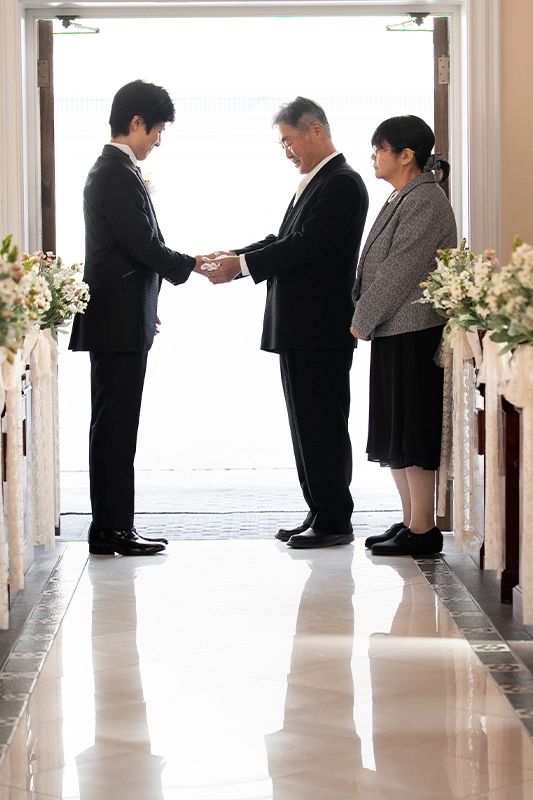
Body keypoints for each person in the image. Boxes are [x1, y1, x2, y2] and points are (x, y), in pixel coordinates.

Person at [201, 97, 369, 549]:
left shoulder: (343, 182)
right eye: (282, 145)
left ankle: (334, 519)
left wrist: (241, 266)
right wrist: (236, 256)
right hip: (301, 326)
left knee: (323, 425)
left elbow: (305, 245)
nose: (287, 152)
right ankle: (319, 509)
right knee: (306, 424)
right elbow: (283, 239)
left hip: (320, 327)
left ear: (316, 129)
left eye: (289, 141)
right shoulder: (318, 181)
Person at [69, 79, 204, 556]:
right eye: (158, 130)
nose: (158, 141)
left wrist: (144, 303)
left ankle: (113, 527)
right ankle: (111, 530)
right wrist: (193, 264)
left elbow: (127, 253)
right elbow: (142, 245)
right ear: (136, 122)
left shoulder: (116, 170)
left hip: (121, 315)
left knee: (116, 425)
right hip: (115, 321)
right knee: (115, 427)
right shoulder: (114, 172)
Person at [350, 114, 457, 556]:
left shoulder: (425, 199)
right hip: (394, 329)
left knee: (413, 432)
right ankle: (411, 520)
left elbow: (400, 271)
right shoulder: (403, 195)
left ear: (406, 155)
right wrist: (368, 315)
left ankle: (423, 529)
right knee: (397, 432)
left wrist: (362, 318)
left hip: (415, 330)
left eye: (380, 148)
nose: (374, 156)